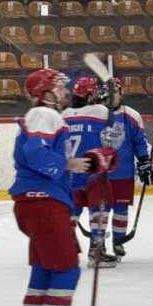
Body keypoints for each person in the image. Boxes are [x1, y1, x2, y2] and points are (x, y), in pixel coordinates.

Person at [9, 68, 108, 306]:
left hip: (37, 204)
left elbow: (57, 167)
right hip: (44, 203)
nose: (66, 93)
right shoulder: (45, 114)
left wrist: (91, 165)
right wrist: (68, 163)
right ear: (46, 93)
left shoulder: (47, 117)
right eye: (60, 88)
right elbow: (35, 153)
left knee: (44, 271)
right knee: (66, 270)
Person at [62, 76, 118, 268]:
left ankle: (63, 252)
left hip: (71, 171)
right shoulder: (100, 111)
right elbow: (112, 126)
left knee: (71, 213)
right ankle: (97, 252)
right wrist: (108, 104)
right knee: (100, 210)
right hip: (94, 170)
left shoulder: (65, 114)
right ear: (90, 94)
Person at [102, 78, 153, 260]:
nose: (112, 95)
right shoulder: (96, 114)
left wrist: (144, 162)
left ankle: (118, 241)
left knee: (121, 210)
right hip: (102, 175)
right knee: (102, 210)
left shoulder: (132, 116)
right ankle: (99, 244)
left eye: (115, 91)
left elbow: (139, 142)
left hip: (124, 173)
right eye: (108, 91)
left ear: (121, 93)